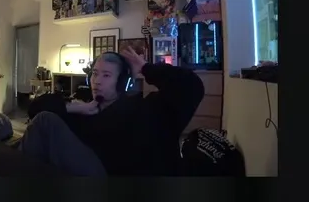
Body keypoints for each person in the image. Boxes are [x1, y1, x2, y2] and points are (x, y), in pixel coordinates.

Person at [18, 48, 204, 175]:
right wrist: (76, 107)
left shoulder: (144, 109)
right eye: (95, 74)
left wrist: (146, 68)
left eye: (106, 75)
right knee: (42, 122)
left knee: (44, 121)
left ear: (122, 82)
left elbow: (192, 87)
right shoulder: (85, 111)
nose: (97, 81)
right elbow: (34, 110)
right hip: (83, 173)